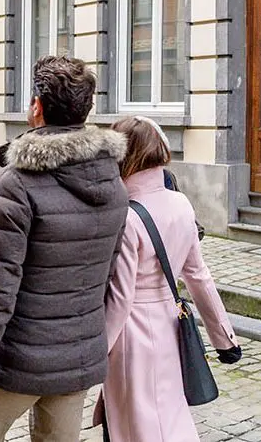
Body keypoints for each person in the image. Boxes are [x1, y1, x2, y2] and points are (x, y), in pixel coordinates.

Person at [0, 56, 129, 441]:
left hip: (20, 358)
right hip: (76, 356)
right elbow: (108, 277)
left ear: (36, 107)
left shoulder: (18, 183)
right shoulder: (112, 180)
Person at [98, 116, 240, 441]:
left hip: (132, 336)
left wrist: (95, 353)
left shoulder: (127, 216)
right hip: (169, 324)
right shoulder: (181, 203)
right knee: (167, 420)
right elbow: (198, 276)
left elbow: (120, 299)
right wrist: (224, 339)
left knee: (136, 426)